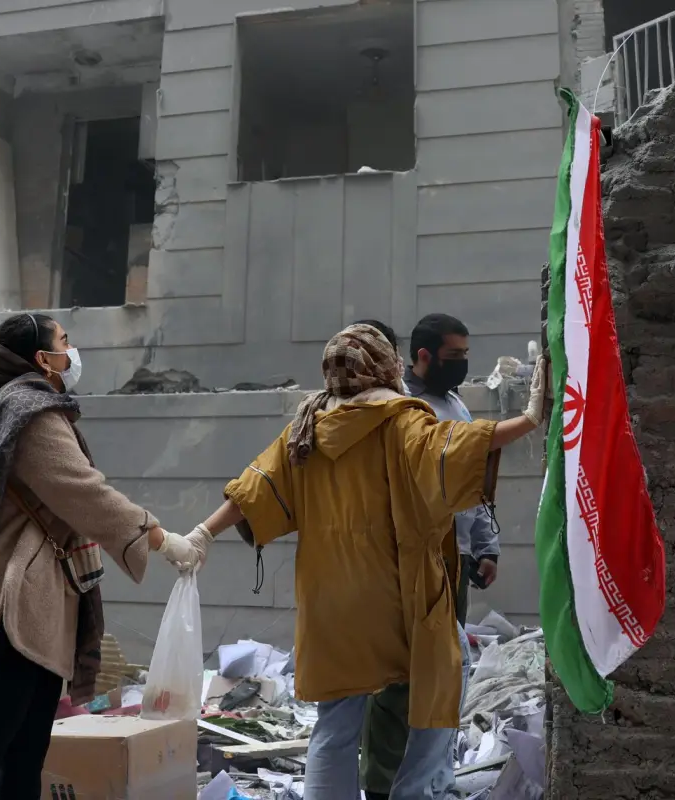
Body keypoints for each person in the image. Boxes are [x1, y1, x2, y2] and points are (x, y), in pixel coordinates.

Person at [184, 323, 548, 800]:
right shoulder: (399, 420)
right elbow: (456, 451)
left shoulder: (304, 428)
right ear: (384, 365)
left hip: (328, 601)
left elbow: (252, 490)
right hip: (398, 594)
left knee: (335, 726)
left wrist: (200, 535)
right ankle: (414, 792)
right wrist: (528, 418)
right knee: (443, 681)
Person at [0, 313, 203, 800]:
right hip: (9, 618)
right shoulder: (32, 413)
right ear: (42, 359)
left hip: (13, 614)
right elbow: (85, 494)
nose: (73, 353)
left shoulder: (2, 406)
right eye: (65, 342)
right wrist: (160, 538)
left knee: (22, 756)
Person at [360, 313, 501, 800]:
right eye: (454, 356)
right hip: (409, 564)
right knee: (399, 683)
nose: (462, 365)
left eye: (464, 355)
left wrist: (485, 545)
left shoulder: (455, 406)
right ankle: (382, 784)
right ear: (423, 356)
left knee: (445, 681)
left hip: (454, 563)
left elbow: (473, 481)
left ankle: (431, 782)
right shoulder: (397, 410)